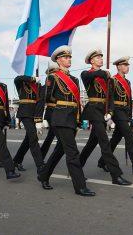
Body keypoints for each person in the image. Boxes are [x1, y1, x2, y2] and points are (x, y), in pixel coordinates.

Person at [37, 46, 95, 196]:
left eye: (69, 57)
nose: (69, 59)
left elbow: (77, 102)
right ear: (58, 60)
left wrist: (79, 120)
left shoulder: (74, 79)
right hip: (60, 118)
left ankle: (43, 175)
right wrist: (40, 118)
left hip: (71, 119)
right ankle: (80, 186)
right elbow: (45, 98)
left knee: (61, 150)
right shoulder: (53, 77)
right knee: (73, 152)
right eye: (65, 57)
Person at [79, 49, 131, 186]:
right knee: (104, 143)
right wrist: (103, 73)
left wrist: (111, 111)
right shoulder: (86, 74)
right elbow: (91, 76)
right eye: (98, 58)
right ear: (92, 61)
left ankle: (76, 167)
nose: (101, 59)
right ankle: (116, 175)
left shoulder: (106, 77)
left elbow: (111, 96)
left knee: (91, 143)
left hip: (104, 110)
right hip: (94, 109)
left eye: (102, 57)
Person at [97, 56, 133, 176]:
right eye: (125, 65)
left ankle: (103, 161)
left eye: (128, 65)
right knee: (130, 137)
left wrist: (129, 115)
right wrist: (109, 112)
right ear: (119, 66)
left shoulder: (127, 81)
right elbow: (109, 98)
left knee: (116, 138)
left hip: (125, 111)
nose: (127, 67)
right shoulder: (113, 80)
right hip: (117, 111)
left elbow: (129, 100)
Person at [11, 73, 45, 174]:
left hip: (34, 113)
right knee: (33, 137)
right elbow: (17, 78)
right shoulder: (21, 84)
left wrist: (39, 120)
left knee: (28, 139)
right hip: (25, 113)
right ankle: (40, 165)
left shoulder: (39, 86)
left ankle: (16, 161)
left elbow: (41, 102)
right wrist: (33, 79)